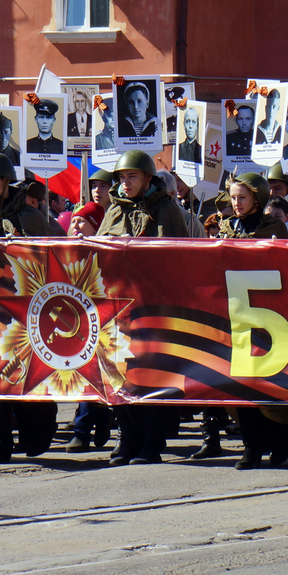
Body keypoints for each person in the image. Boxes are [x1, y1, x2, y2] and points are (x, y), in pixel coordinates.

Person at [0, 153, 61, 465]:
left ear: (6, 182)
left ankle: (37, 431)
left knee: (25, 375)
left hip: (23, 312)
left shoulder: (29, 217)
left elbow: (57, 252)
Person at [97, 150, 192, 467]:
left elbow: (176, 259)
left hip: (152, 306)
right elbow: (98, 254)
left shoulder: (167, 210)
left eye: (132, 177)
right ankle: (128, 437)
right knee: (119, 378)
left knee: (150, 378)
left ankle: (150, 443)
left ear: (148, 178)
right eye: (122, 178)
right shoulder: (113, 211)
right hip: (116, 308)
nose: (125, 183)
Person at [216, 172, 288, 240]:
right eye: (233, 198)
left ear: (257, 198)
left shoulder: (274, 227)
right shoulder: (227, 226)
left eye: (242, 197)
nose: (236, 203)